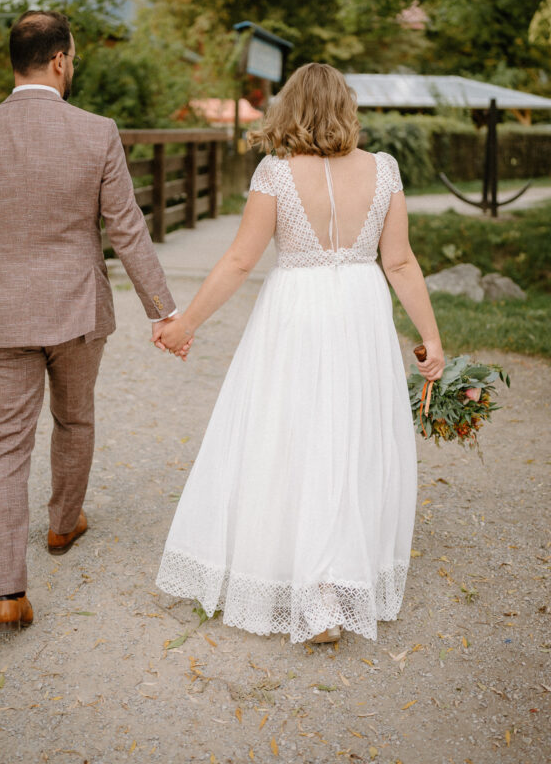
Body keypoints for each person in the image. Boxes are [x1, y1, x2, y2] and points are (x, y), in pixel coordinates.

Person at [155, 63, 444, 644]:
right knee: (351, 436)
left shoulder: (276, 174)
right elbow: (400, 262)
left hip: (297, 311)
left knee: (293, 433)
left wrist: (185, 323)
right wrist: (431, 338)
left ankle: (311, 591)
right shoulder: (383, 170)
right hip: (361, 310)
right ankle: (332, 588)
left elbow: (240, 261)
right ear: (346, 107)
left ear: (290, 108)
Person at [0, 10, 178, 633]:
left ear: (11, 62)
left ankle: (7, 593)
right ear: (59, 61)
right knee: (74, 417)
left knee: (3, 446)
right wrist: (164, 310)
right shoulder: (97, 132)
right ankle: (60, 525)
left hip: (0, 313)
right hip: (77, 311)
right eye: (72, 57)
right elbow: (126, 227)